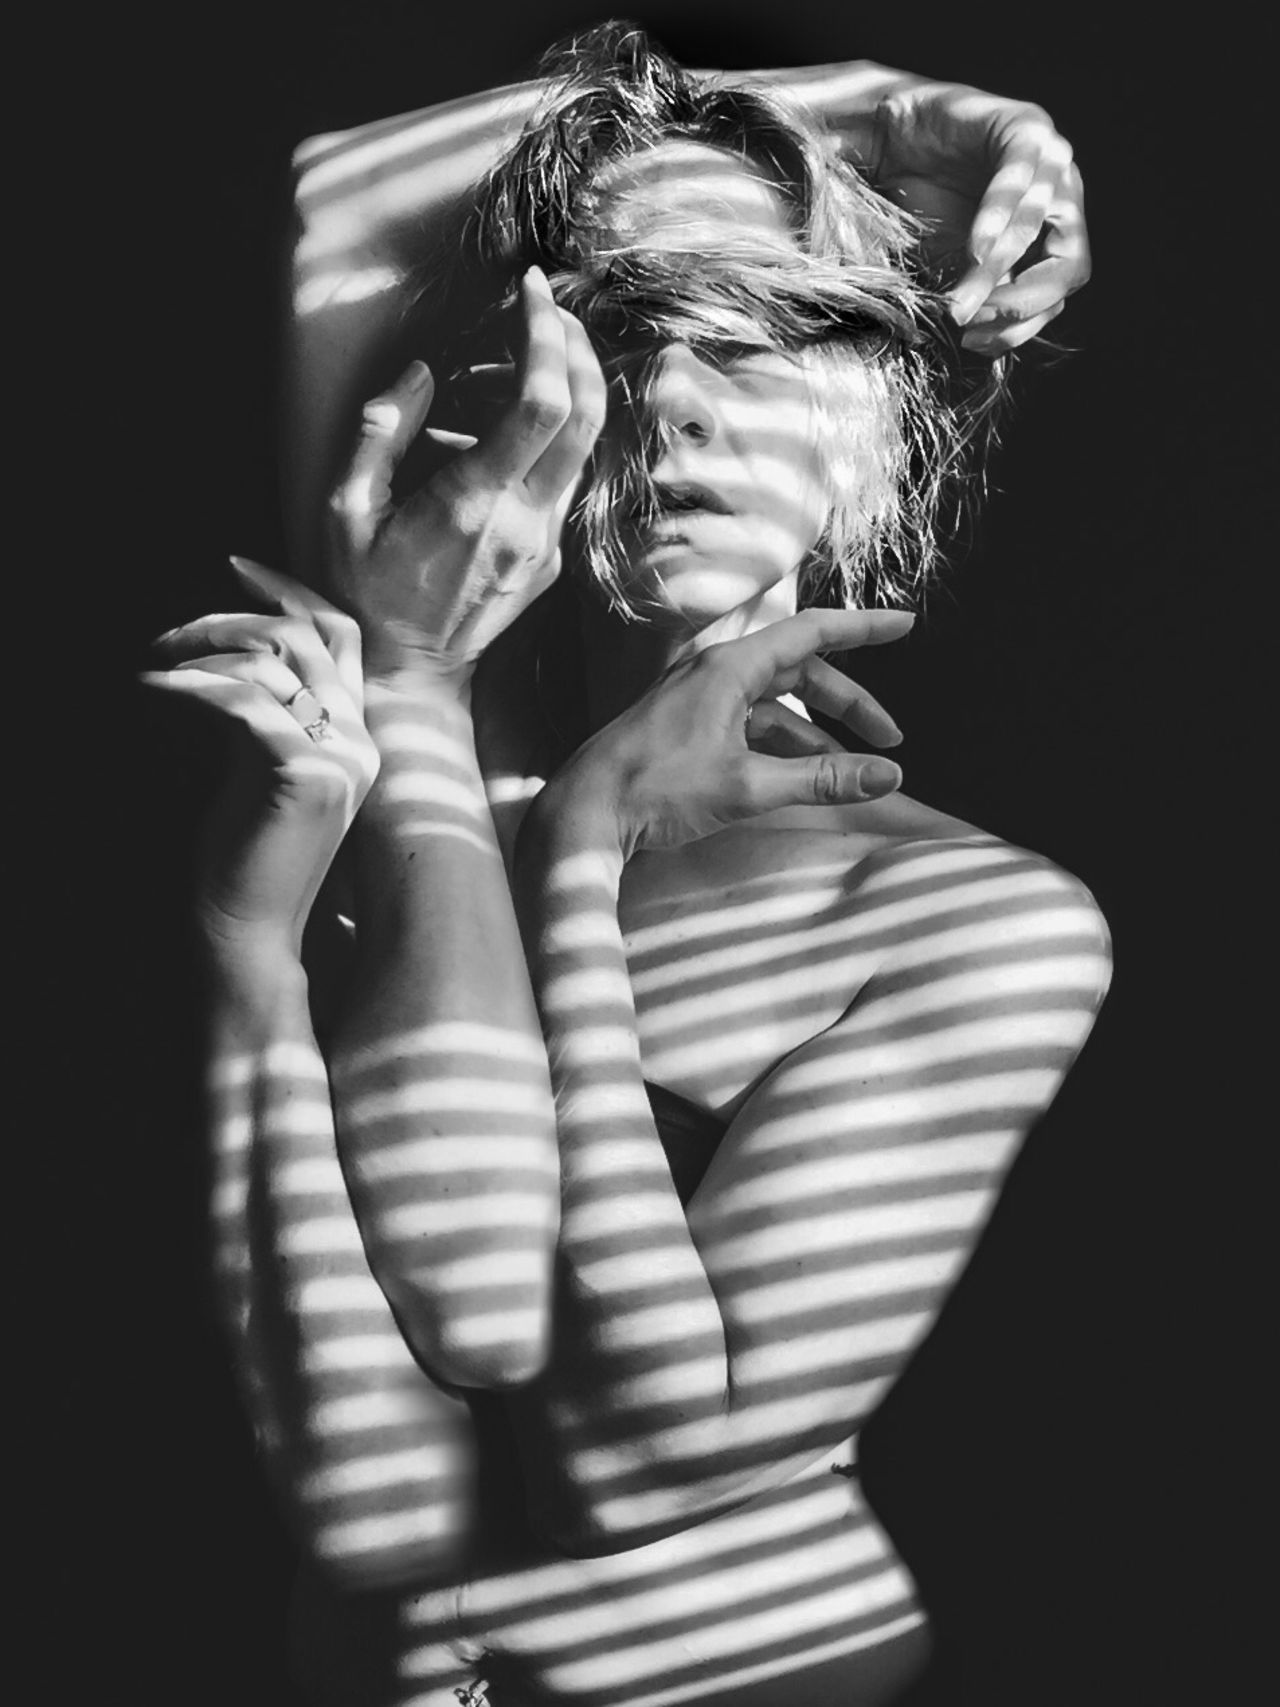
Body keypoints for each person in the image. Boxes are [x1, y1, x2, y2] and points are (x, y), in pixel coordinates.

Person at [146, 26, 1109, 1707]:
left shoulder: (966, 920)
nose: (675, 401)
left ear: (877, 428)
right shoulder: (417, 759)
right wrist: (872, 109)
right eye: (621, 333)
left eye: (750, 335)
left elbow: (627, 1474)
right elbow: (381, 1483)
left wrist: (584, 848)